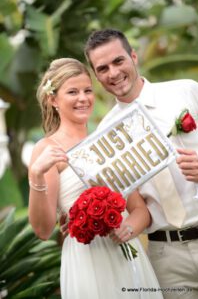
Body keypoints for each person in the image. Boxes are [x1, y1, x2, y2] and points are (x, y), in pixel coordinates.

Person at [28, 57, 164, 299]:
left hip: (126, 253)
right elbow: (43, 230)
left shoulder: (107, 141)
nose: (83, 98)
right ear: (52, 99)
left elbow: (139, 210)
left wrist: (129, 228)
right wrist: (37, 174)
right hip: (85, 261)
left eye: (87, 90)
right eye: (72, 92)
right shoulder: (48, 149)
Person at [83, 28, 198, 299]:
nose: (113, 73)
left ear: (133, 56)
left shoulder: (187, 91)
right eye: (102, 68)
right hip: (167, 257)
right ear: (96, 75)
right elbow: (133, 203)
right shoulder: (104, 134)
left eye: (118, 61)